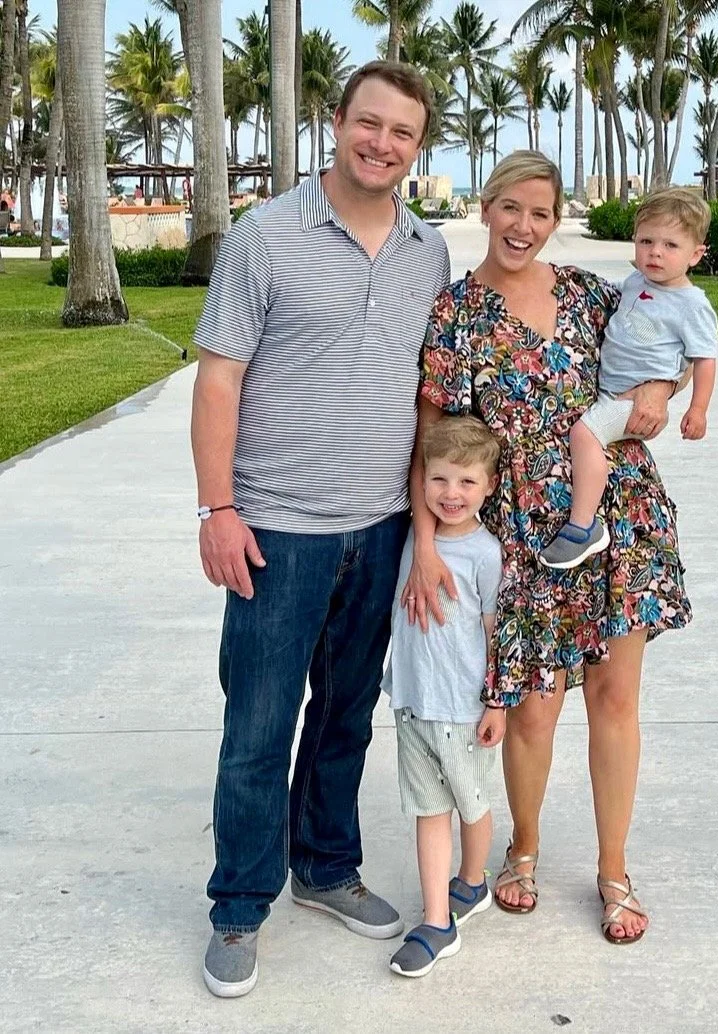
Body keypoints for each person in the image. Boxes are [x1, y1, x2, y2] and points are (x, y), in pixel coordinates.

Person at [190, 60, 450, 998]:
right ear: (335, 122)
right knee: (258, 726)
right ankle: (239, 905)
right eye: (368, 123)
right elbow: (218, 376)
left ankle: (326, 868)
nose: (382, 143)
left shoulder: (428, 251)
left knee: (345, 717)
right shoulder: (265, 236)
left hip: (379, 526)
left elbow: (428, 394)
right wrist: (219, 510)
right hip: (276, 527)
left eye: (403, 133)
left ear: (420, 147)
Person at [405, 152, 691, 947]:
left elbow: (664, 347)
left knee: (615, 699)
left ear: (555, 217)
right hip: (521, 529)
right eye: (510, 209)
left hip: (619, 513)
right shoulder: (456, 313)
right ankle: (522, 849)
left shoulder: (593, 295)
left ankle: (613, 870)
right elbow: (434, 437)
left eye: (540, 212)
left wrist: (662, 394)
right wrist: (426, 541)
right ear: (486, 208)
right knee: (533, 707)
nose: (523, 226)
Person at [538, 188, 718, 569]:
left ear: (696, 254)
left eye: (671, 245)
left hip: (629, 400)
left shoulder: (692, 305)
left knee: (585, 435)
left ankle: (582, 525)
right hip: (610, 390)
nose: (655, 252)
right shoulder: (635, 284)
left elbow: (704, 360)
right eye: (646, 241)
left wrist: (697, 409)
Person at [383, 416, 505, 977]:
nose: (451, 494)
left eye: (466, 482)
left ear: (489, 487)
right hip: (412, 701)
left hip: (463, 707)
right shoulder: (412, 537)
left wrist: (497, 700)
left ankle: (473, 881)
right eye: (439, 480)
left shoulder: (484, 554)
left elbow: (493, 630)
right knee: (429, 811)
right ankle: (437, 921)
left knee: (471, 803)